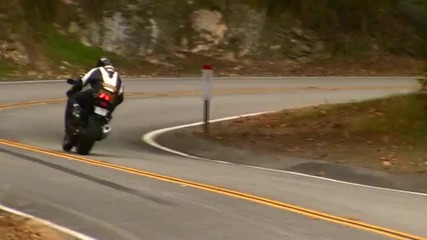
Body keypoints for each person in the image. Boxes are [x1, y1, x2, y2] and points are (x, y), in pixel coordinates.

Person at [64, 57, 124, 134]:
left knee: (74, 98)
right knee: (109, 112)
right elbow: (120, 97)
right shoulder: (118, 76)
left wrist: (73, 90)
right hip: (110, 99)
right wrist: (111, 108)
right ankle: (105, 121)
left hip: (96, 94)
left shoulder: (97, 70)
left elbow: (83, 81)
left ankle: (72, 122)